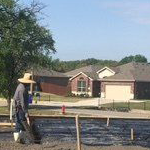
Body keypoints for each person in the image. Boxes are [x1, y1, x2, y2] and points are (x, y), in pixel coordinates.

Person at [13, 73, 35, 143]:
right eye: (29, 83)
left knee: (19, 123)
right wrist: (26, 112)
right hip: (20, 109)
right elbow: (22, 103)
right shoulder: (22, 89)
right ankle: (19, 140)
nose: (29, 84)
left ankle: (20, 139)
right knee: (21, 123)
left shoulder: (20, 86)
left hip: (18, 108)